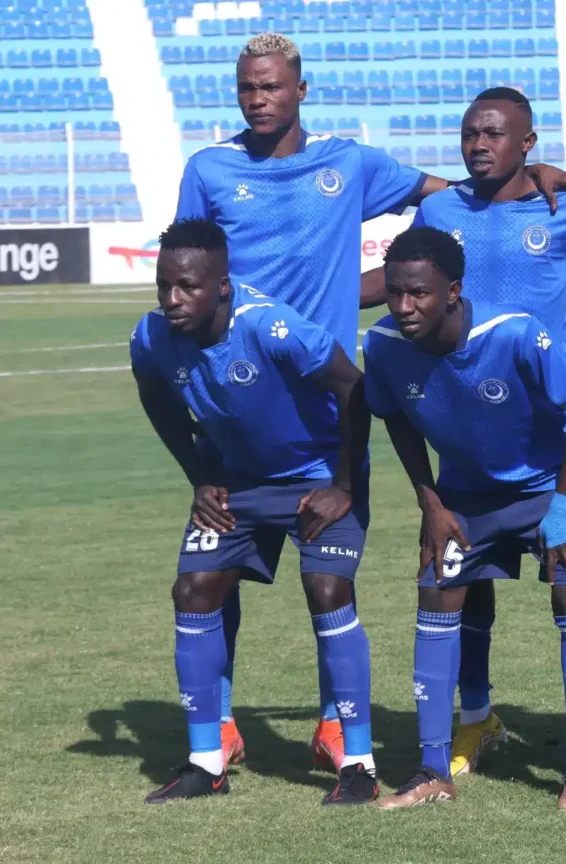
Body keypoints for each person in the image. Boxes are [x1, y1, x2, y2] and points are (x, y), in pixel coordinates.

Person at [175, 32, 566, 771]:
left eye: (270, 86)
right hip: (237, 398)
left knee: (329, 576)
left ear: (300, 89)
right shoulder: (208, 169)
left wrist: (530, 171)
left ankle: (344, 727)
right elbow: (191, 253)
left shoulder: (351, 163)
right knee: (213, 568)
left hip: (329, 399)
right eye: (247, 88)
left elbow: (447, 190)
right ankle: (223, 723)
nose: (258, 99)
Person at [360, 85, 566, 778]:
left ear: (527, 143)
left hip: (547, 424)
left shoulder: (560, 207)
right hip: (464, 425)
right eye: (470, 133)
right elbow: (401, 281)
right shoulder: (440, 210)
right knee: (467, 586)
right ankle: (476, 717)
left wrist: (560, 292)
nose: (478, 144)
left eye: (494, 135)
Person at [130, 219, 376, 805]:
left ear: (221, 285)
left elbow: (353, 388)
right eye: (164, 285)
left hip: (316, 475)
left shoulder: (269, 326)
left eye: (187, 286)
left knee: (325, 589)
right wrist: (199, 476)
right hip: (236, 480)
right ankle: (205, 762)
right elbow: (154, 395)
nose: (172, 300)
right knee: (193, 589)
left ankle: (358, 762)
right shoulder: (150, 336)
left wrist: (342, 484)